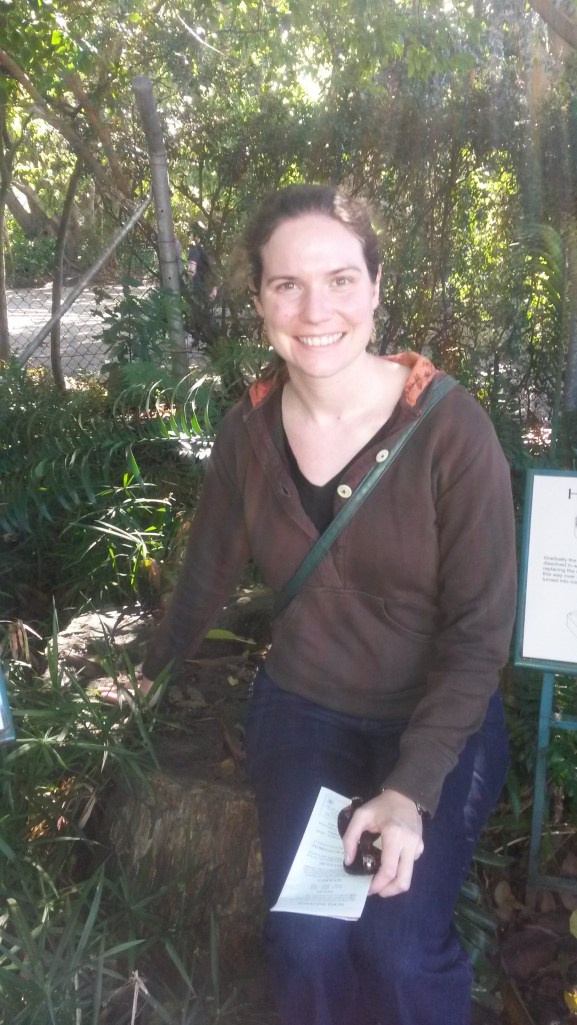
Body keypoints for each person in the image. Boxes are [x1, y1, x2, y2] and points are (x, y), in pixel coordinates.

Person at [140, 184, 517, 1025]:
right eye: (287, 285)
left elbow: (479, 634)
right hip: (306, 712)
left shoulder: (451, 431)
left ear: (377, 287)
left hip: (435, 721)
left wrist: (411, 790)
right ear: (260, 302)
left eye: (341, 279)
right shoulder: (250, 430)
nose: (317, 309)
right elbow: (204, 576)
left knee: (396, 947)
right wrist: (141, 678)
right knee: (307, 940)